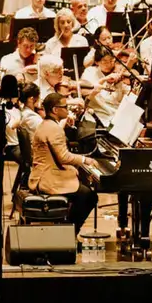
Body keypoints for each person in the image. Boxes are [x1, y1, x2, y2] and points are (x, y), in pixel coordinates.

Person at [29, 92, 99, 232]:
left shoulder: (47, 124)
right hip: (48, 179)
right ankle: (69, 231)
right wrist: (86, 160)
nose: (68, 110)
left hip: (43, 173)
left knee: (83, 187)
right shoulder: (53, 128)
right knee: (89, 196)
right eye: (65, 107)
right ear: (55, 110)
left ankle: (67, 228)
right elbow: (63, 157)